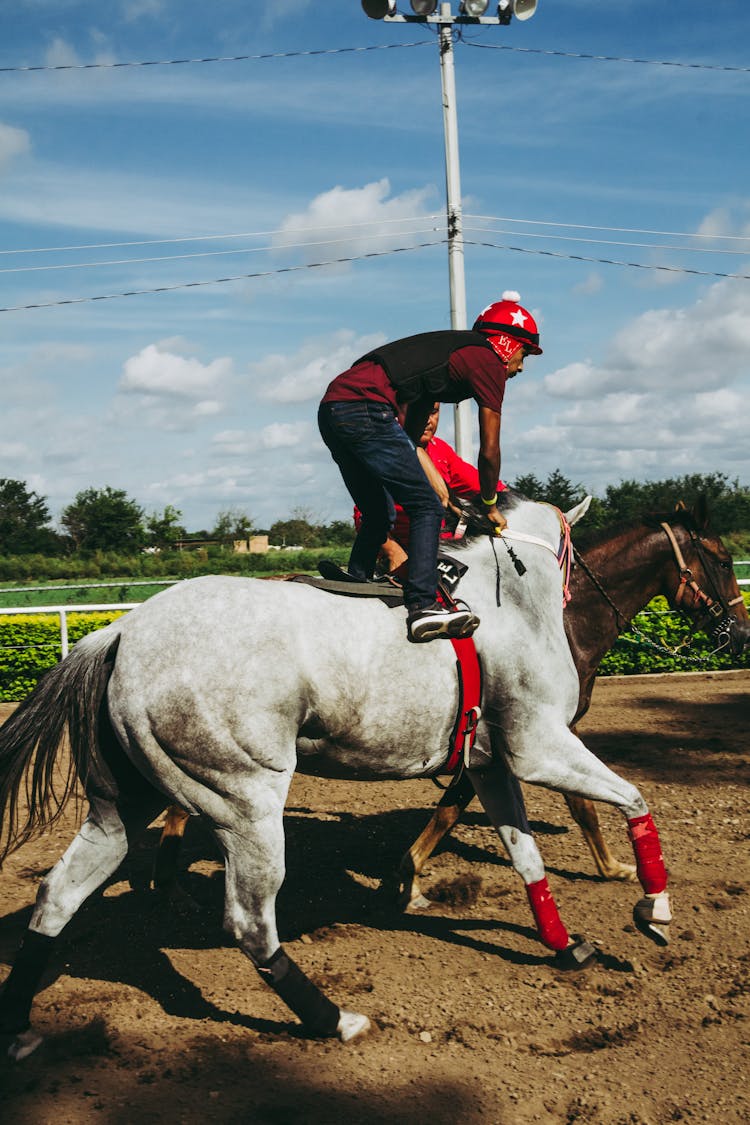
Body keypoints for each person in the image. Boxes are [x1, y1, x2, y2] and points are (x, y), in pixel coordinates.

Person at [318, 291, 542, 643]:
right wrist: (488, 505)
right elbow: (490, 450)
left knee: (380, 512)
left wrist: (450, 497)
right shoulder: (485, 361)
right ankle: (423, 605)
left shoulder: (443, 363)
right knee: (425, 506)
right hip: (365, 408)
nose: (521, 366)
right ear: (505, 343)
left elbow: (408, 440)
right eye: (523, 353)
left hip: (334, 408)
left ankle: (357, 577)